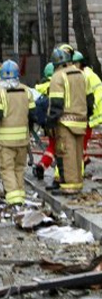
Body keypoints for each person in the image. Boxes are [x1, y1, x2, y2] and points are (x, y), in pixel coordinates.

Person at [0, 61, 36, 207]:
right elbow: (32, 115)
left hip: (5, 141)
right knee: (19, 168)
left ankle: (14, 199)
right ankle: (20, 194)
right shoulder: (26, 91)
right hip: (23, 140)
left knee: (7, 168)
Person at [46, 47, 92, 195]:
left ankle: (70, 186)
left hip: (65, 121)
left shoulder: (58, 77)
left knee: (66, 153)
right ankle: (77, 182)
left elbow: (56, 104)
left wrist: (50, 124)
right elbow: (89, 98)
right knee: (78, 153)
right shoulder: (81, 74)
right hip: (81, 119)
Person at [72, 50, 102, 166]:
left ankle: (81, 163)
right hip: (94, 110)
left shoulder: (83, 76)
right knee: (82, 140)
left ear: (79, 64)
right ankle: (83, 159)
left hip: (91, 111)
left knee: (81, 141)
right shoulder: (88, 73)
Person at [33, 63, 56, 182]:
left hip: (47, 123)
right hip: (58, 120)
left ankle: (42, 164)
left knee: (53, 146)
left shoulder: (40, 87)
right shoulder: (59, 82)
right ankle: (60, 174)